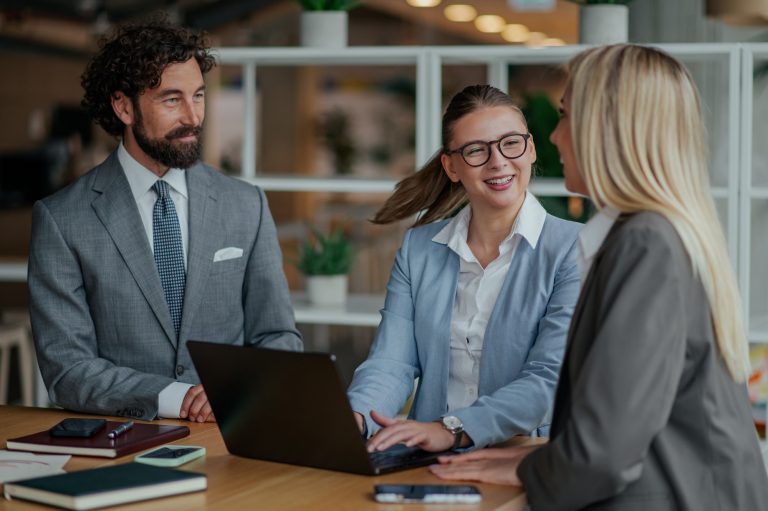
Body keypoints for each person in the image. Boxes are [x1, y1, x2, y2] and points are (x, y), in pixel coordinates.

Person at [430, 44, 768, 509]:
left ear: (607, 130)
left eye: (566, 117)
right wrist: (542, 460)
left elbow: (602, 456)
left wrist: (533, 467)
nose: (553, 138)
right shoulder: (650, 235)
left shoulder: (645, 245)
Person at [28, 18, 302, 423]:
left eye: (199, 96)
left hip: (234, 436)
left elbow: (278, 337)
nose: (193, 116)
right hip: (123, 440)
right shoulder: (61, 219)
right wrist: (179, 398)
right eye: (172, 100)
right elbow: (68, 370)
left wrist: (236, 388)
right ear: (123, 107)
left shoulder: (246, 204)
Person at [347, 84, 582, 453]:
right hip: (428, 459)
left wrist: (453, 428)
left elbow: (549, 377)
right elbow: (391, 362)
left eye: (510, 143)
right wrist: (356, 416)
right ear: (452, 166)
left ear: (531, 148)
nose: (498, 161)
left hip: (527, 457)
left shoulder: (575, 249)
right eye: (476, 150)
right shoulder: (419, 248)